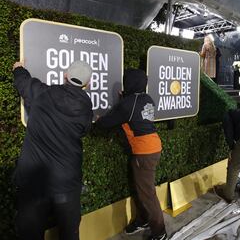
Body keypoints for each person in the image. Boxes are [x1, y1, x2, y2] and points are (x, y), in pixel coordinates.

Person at [12, 60, 93, 240]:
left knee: (30, 234)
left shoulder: (43, 94)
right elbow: (85, 130)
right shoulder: (86, 106)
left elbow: (24, 83)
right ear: (87, 85)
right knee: (69, 233)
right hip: (67, 185)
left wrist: (18, 69)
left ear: (65, 75)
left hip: (34, 185)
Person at [96, 69, 166, 240]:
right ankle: (143, 219)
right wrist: (125, 98)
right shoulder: (146, 98)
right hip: (153, 146)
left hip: (144, 152)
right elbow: (134, 110)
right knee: (142, 190)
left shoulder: (128, 104)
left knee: (147, 194)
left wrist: (98, 120)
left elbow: (107, 122)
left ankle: (160, 232)